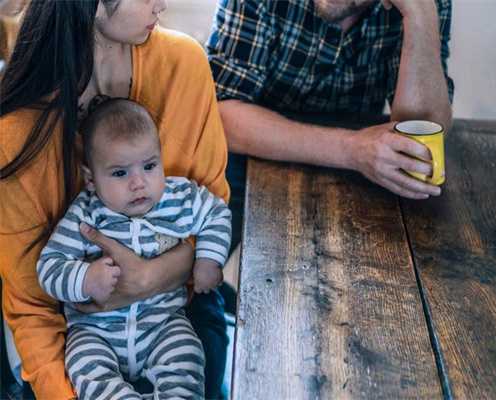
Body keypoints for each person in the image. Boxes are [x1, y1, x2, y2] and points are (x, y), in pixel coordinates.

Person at [0, 1, 230, 398]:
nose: (162, 4)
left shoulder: (185, 66)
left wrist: (147, 278)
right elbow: (33, 307)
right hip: (77, 333)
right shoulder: (14, 137)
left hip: (176, 309)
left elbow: (211, 216)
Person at [207, 0, 454, 248]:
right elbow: (221, 116)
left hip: (362, 176)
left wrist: (421, 15)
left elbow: (422, 135)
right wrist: (352, 149)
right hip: (253, 159)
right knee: (208, 256)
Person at [36, 98, 232, 399]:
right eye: (120, 173)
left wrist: (208, 259)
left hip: (162, 323)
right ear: (91, 179)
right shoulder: (86, 216)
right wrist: (85, 279)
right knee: (86, 369)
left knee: (188, 360)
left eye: (150, 166)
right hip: (96, 332)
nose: (139, 183)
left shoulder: (178, 197)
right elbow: (49, 266)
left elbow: (216, 214)